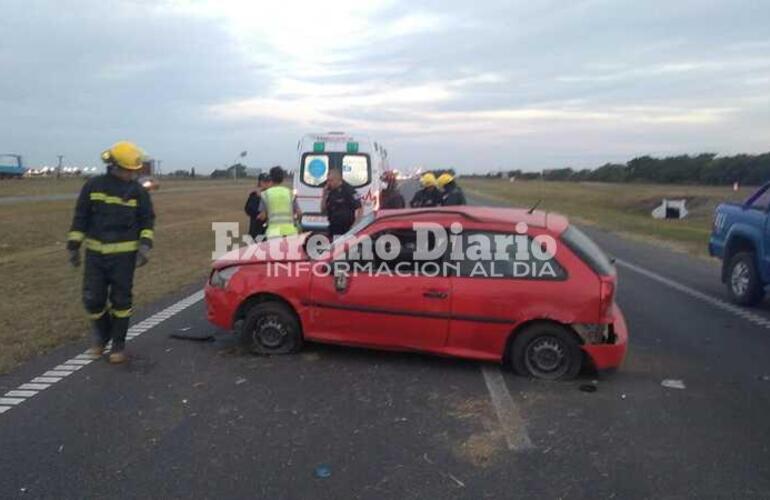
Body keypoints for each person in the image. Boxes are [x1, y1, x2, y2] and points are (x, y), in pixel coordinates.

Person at [66, 141, 155, 364]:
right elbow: (80, 218)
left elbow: (147, 220)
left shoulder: (137, 192)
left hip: (124, 258)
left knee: (121, 301)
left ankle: (118, 343)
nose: (132, 175)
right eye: (129, 171)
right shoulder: (93, 186)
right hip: (95, 257)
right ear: (114, 166)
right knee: (92, 299)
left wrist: (144, 245)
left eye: (135, 171)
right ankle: (103, 333)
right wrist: (74, 246)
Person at [258, 166, 301, 239]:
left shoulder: (265, 194)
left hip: (273, 233)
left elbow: (263, 217)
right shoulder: (290, 193)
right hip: (290, 232)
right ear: (282, 178)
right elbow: (299, 213)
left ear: (271, 178)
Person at [322, 166, 362, 238]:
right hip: (333, 228)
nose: (328, 183)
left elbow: (360, 208)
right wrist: (324, 196)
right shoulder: (330, 192)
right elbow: (323, 210)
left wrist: (355, 226)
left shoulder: (350, 190)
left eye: (331, 180)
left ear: (338, 179)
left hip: (346, 229)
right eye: (327, 180)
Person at [244, 173, 271, 240]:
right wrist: (258, 214)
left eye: (268, 181)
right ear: (260, 182)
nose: (266, 183)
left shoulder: (272, 195)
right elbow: (248, 209)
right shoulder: (254, 195)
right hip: (256, 228)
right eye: (264, 181)